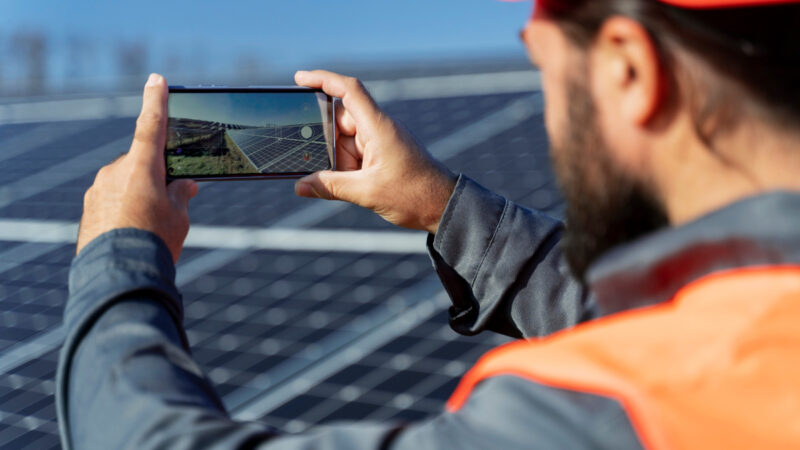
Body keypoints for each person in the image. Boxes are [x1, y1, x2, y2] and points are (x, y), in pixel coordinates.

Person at [57, 0, 800, 448]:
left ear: (628, 70)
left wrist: (118, 255)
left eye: (542, 64)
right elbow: (681, 329)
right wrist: (443, 206)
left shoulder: (611, 413)